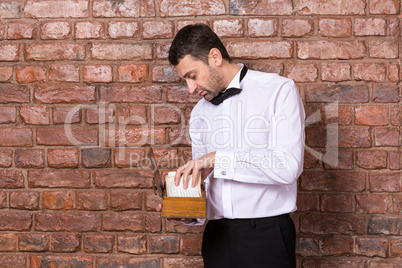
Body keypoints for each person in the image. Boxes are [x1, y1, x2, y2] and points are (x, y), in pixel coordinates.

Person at [167, 23, 305, 268]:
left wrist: (218, 159)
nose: (190, 89)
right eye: (185, 80)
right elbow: (205, 182)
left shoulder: (279, 91)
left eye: (192, 76)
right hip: (216, 238)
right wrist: (189, 211)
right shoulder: (200, 113)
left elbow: (287, 167)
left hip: (266, 235)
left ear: (215, 57)